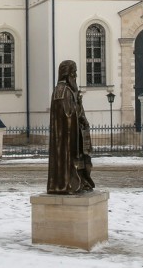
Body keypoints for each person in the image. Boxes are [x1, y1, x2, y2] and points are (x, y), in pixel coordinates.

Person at [47, 59, 95, 194]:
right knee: (68, 160)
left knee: (79, 159)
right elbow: (68, 114)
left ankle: (79, 181)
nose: (75, 76)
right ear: (67, 74)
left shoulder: (68, 90)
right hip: (66, 136)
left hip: (72, 134)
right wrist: (78, 108)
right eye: (74, 73)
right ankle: (67, 184)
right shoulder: (62, 91)